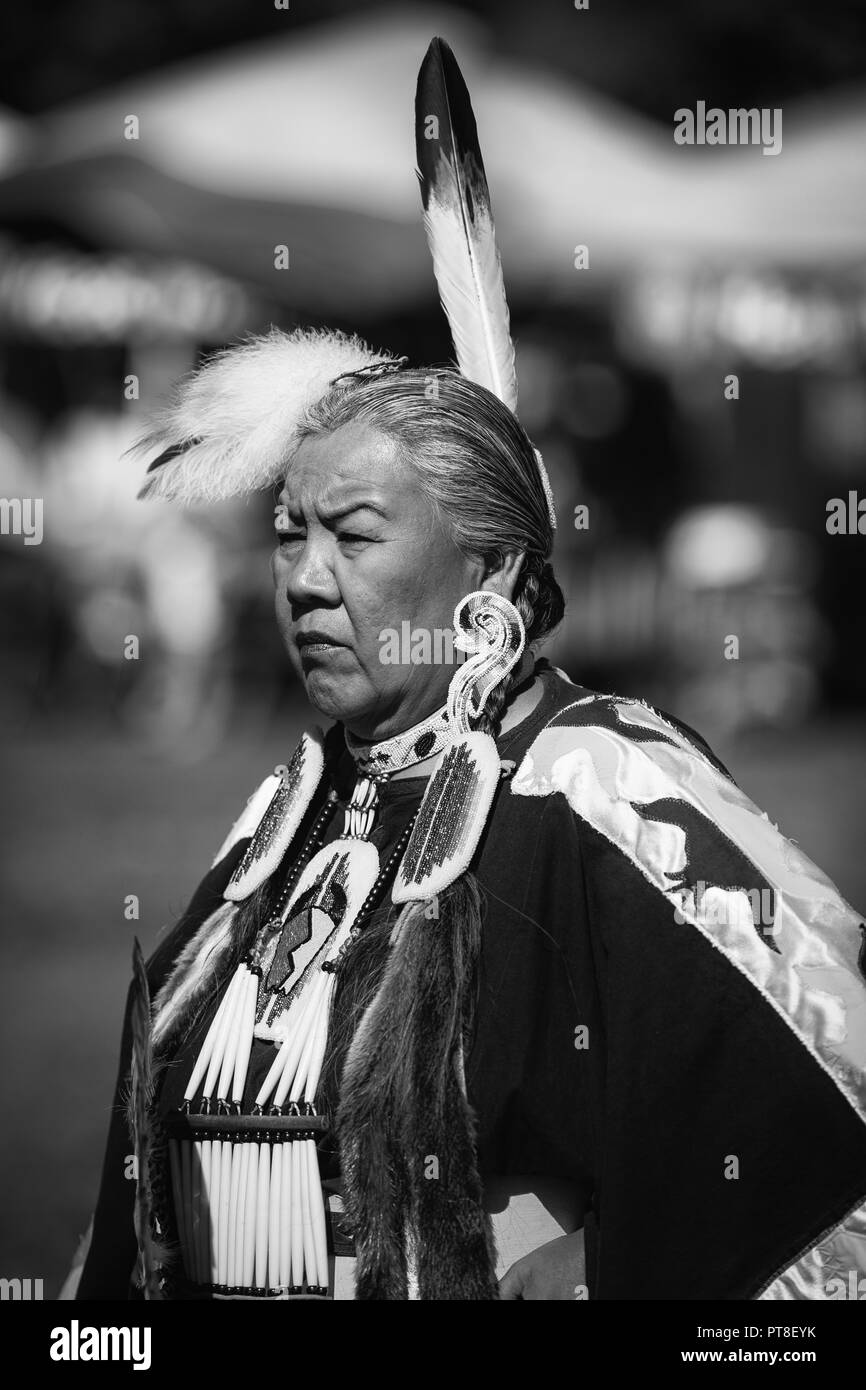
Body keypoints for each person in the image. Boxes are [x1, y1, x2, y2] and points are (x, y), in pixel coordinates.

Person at [67, 39, 866, 1302]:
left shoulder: (592, 781)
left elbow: (828, 1105)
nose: (305, 578)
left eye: (356, 534)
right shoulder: (293, 810)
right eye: (288, 531)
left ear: (486, 568)